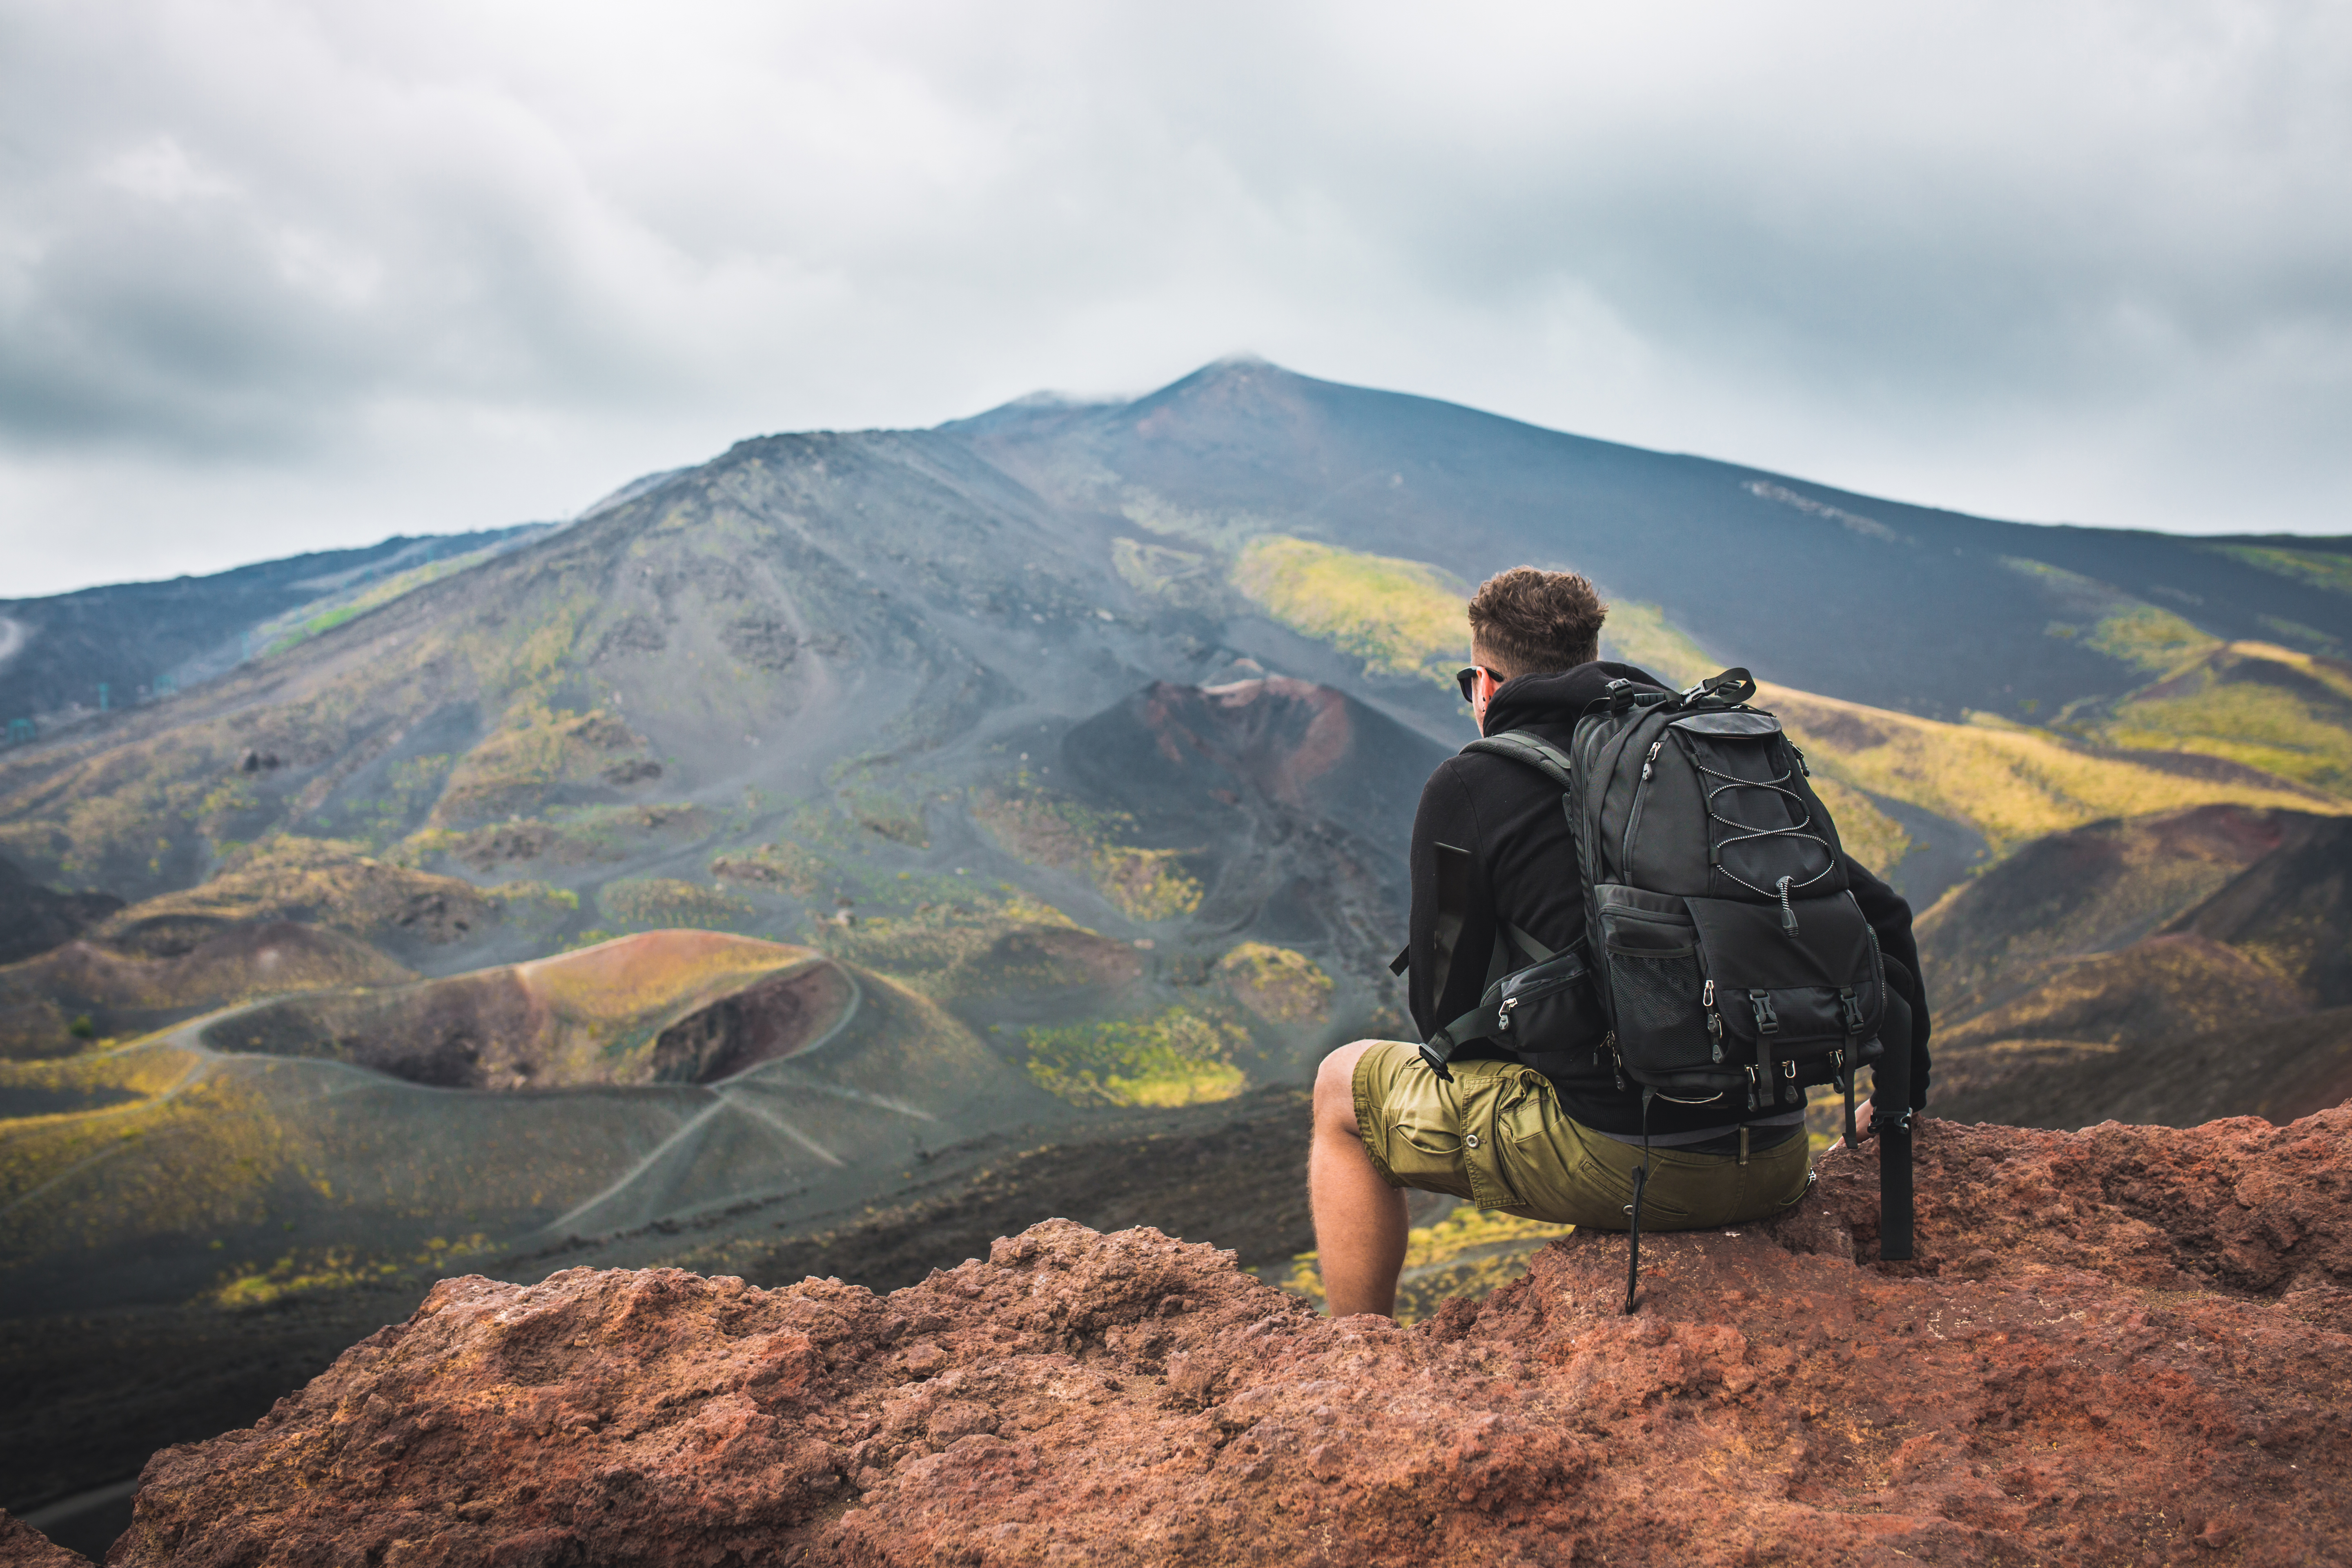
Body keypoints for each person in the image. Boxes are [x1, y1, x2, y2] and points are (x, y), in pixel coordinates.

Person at [1308, 566, 1931, 1318]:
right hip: (1778, 1157)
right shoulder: (1697, 757)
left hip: (1629, 1168)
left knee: (1342, 1088)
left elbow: (1442, 1021)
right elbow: (1885, 917)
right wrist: (1904, 1098)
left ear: (1484, 685)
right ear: (1593, 656)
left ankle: (1353, 1354)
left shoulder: (1470, 786)